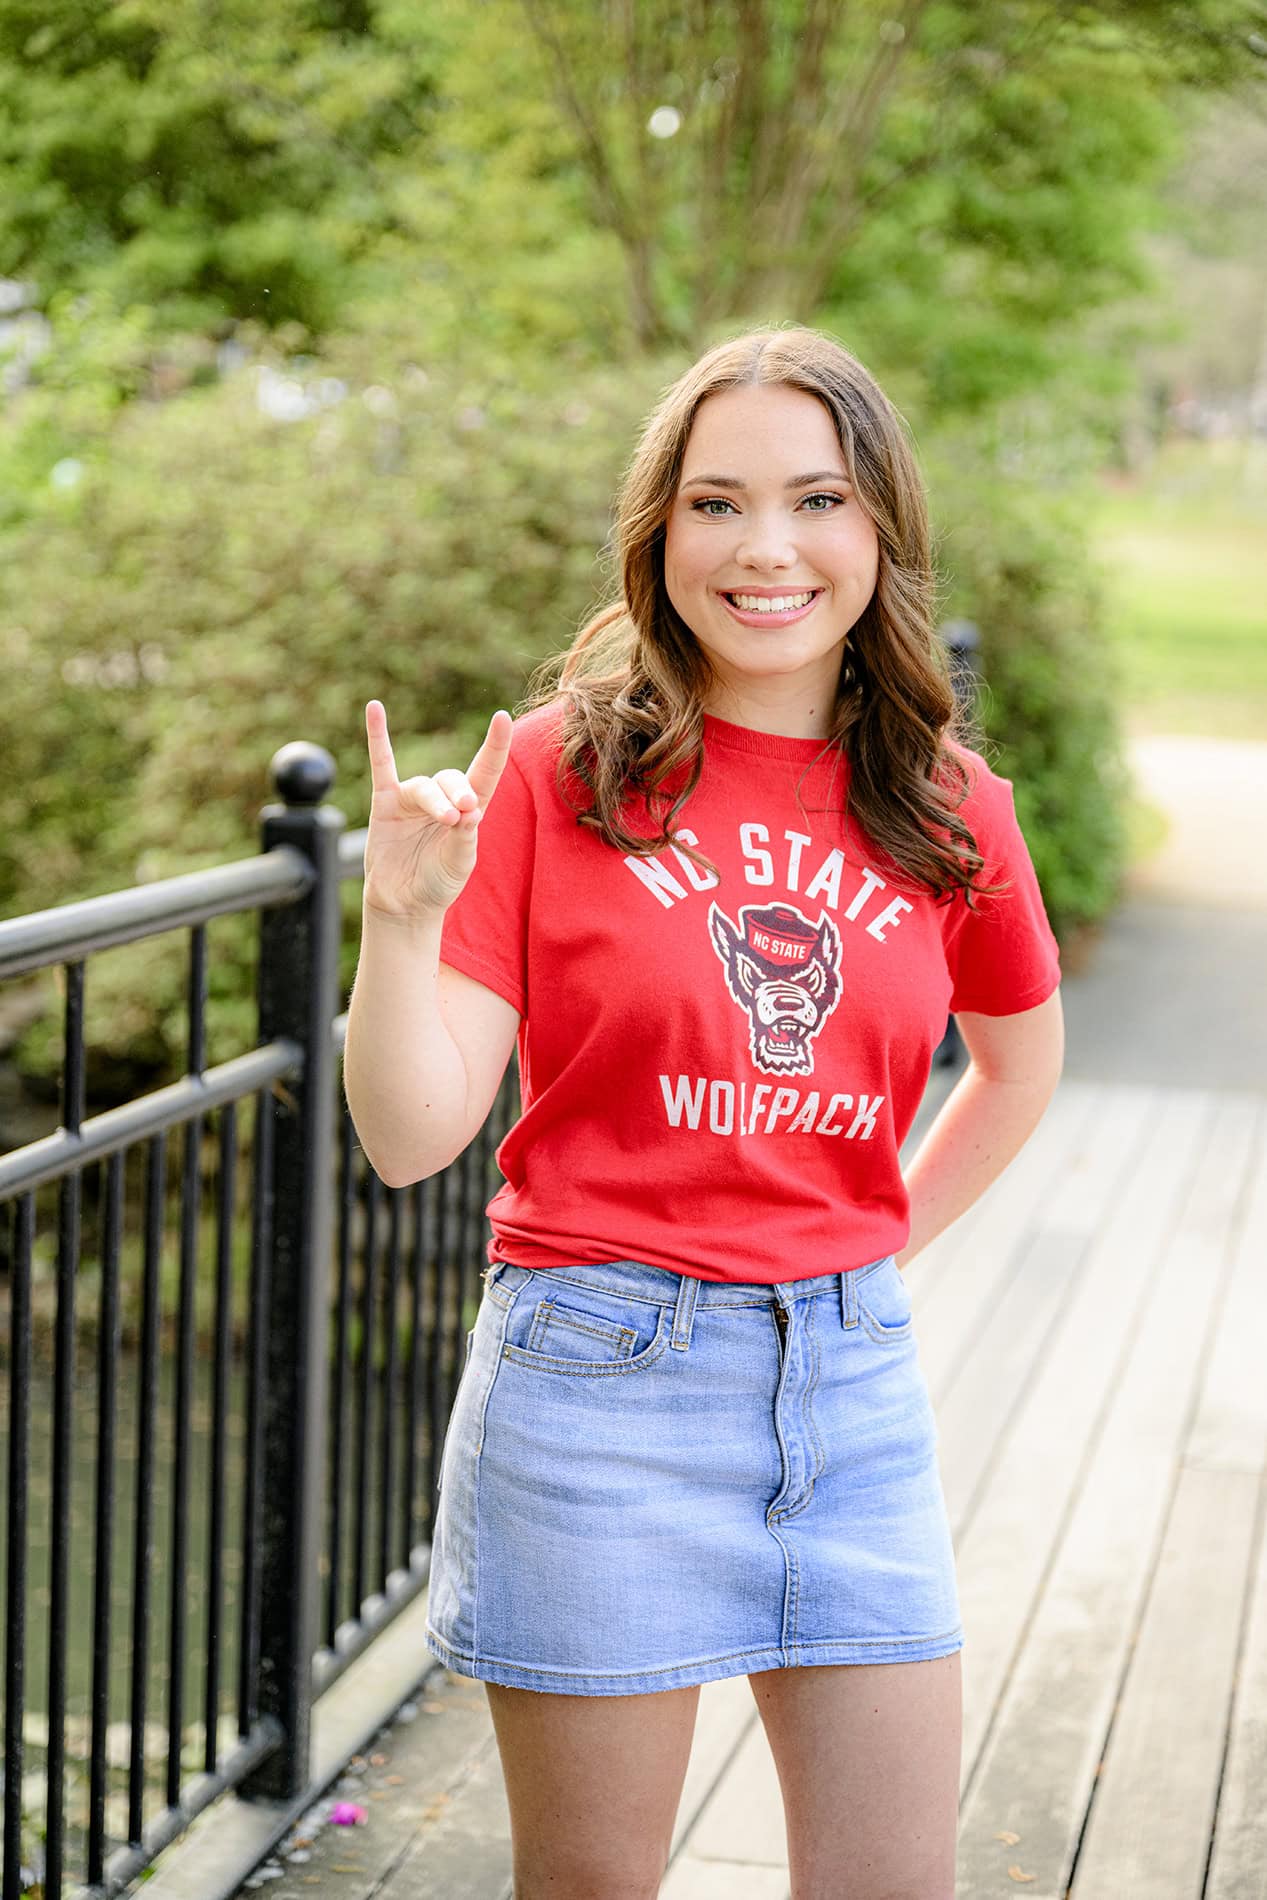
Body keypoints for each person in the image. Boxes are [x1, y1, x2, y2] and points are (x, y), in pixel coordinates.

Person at [342, 325, 1065, 1900]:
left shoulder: (951, 806)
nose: (767, 549)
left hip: (852, 1399)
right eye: (717, 503)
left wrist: (872, 1244)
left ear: (879, 529)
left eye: (815, 499)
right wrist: (397, 923)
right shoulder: (555, 775)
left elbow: (1021, 1063)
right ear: (658, 533)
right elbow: (411, 1133)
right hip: (598, 1390)